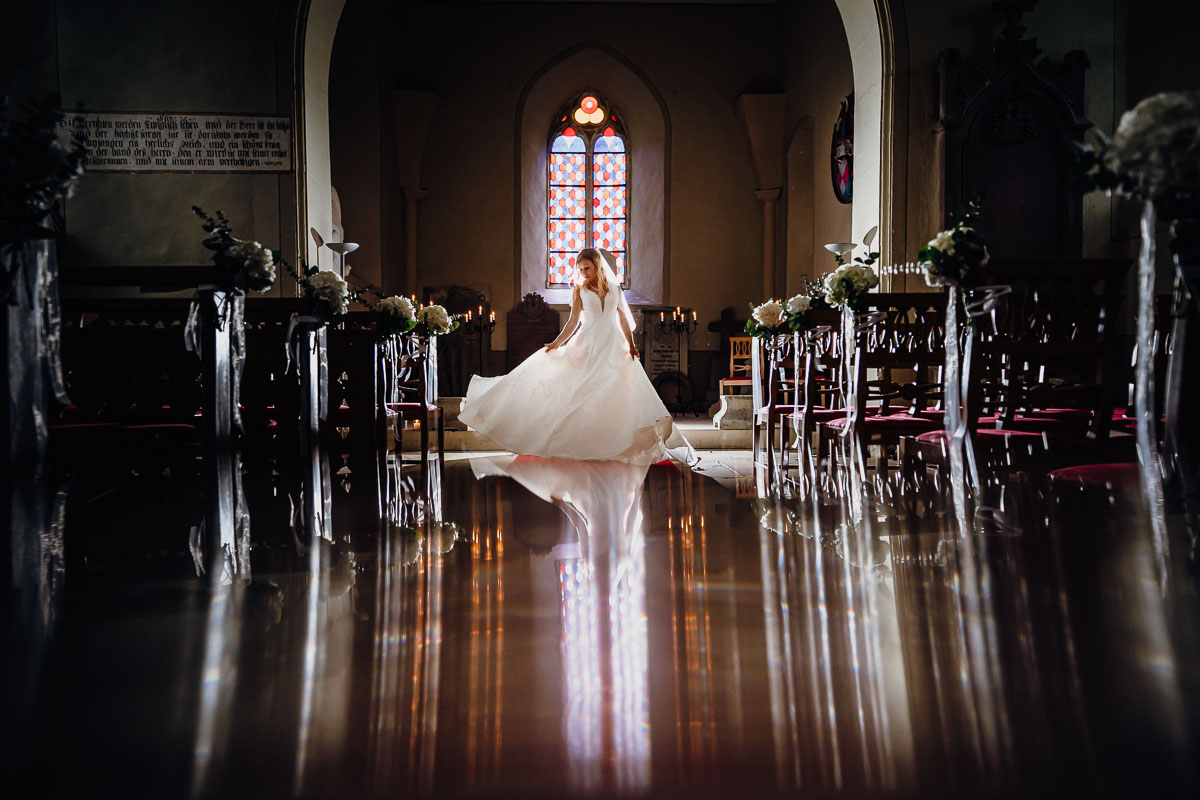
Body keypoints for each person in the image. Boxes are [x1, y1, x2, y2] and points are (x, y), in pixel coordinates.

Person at [458, 248, 694, 464]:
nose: (583, 273)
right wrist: (557, 343)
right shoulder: (579, 289)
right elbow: (573, 321)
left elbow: (622, 317)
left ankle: (616, 441)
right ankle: (578, 441)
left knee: (615, 389)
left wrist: (630, 344)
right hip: (588, 341)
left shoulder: (614, 288)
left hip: (613, 343)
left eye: (587, 268)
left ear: (598, 266)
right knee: (581, 389)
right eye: (580, 269)